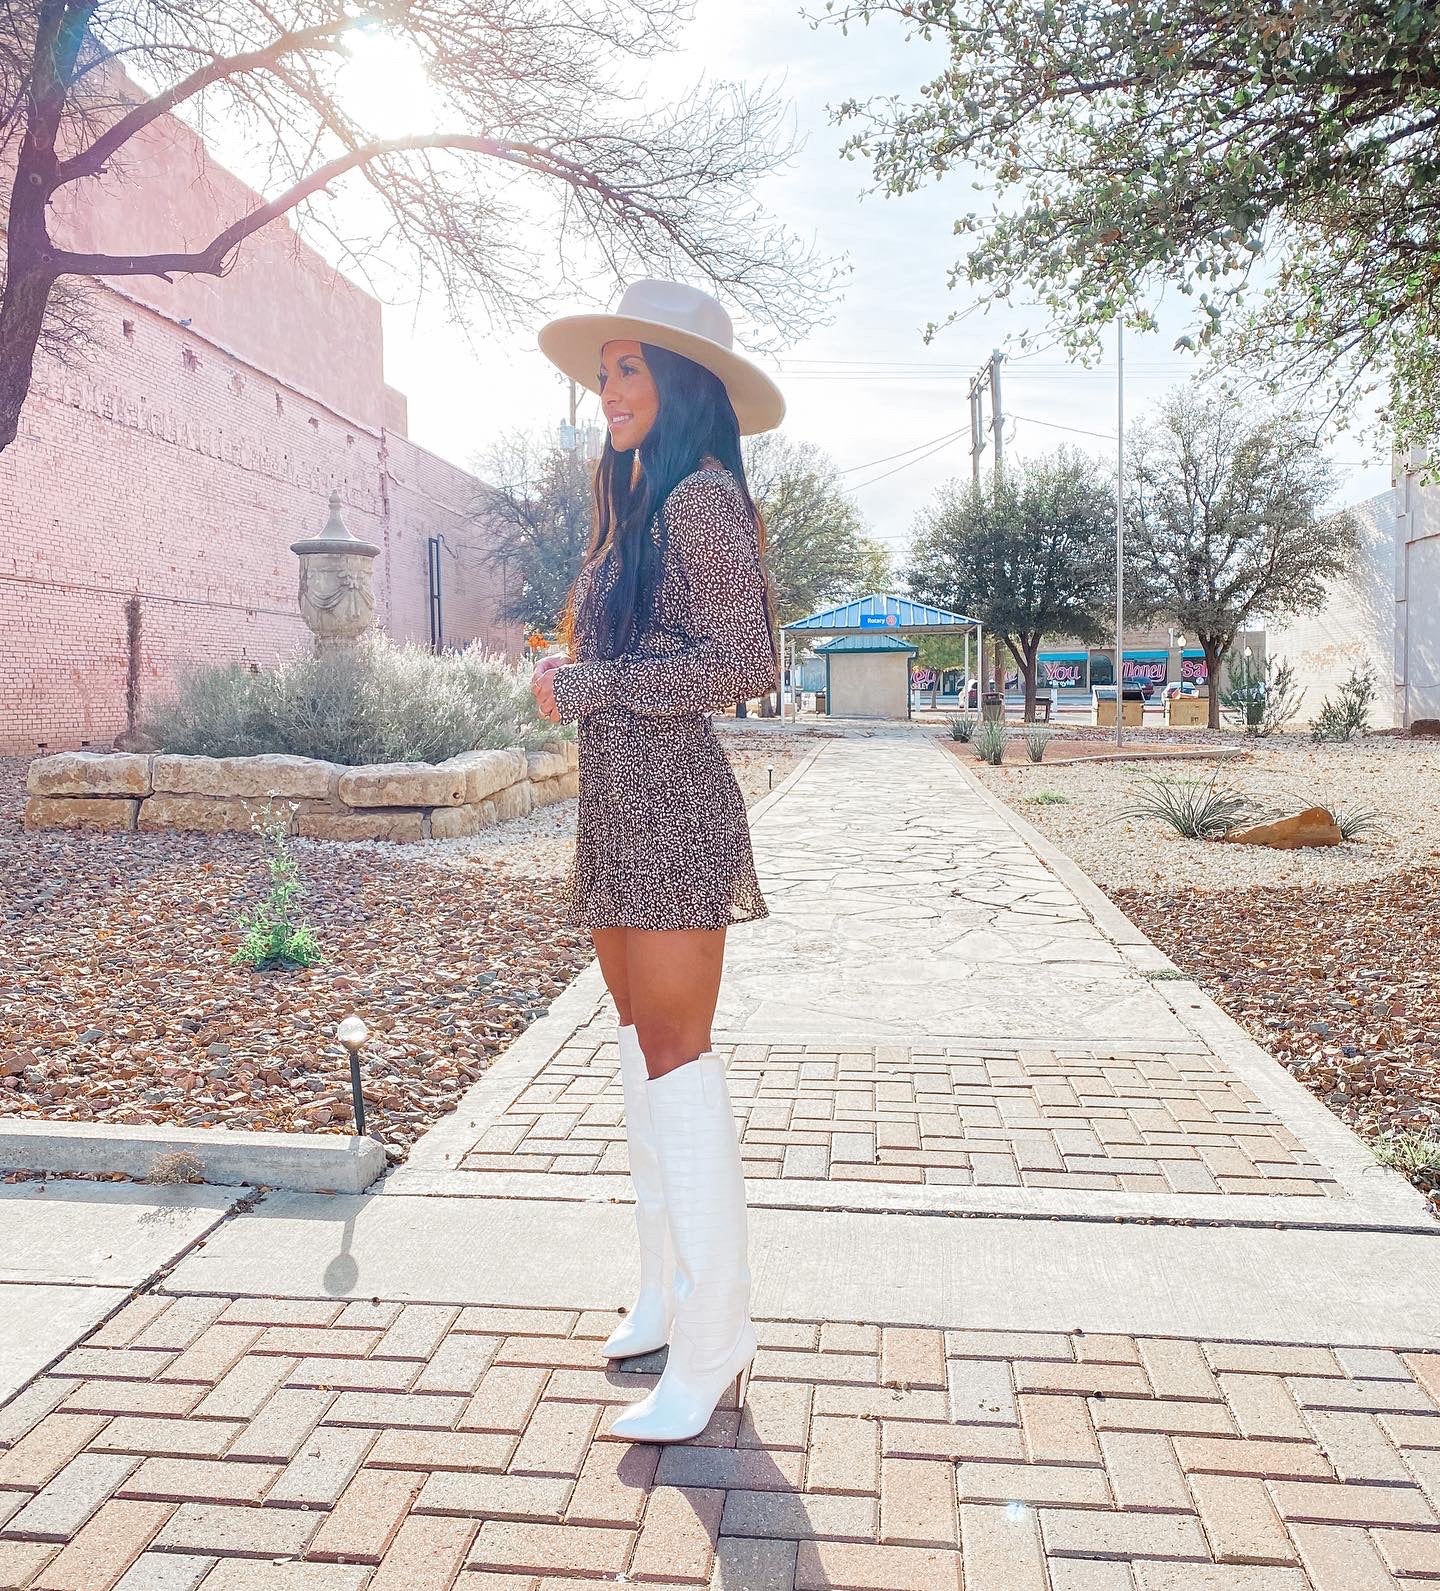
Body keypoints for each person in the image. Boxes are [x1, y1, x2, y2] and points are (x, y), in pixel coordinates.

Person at [530, 280, 783, 1443]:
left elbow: (744, 659)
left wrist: (593, 683)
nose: (610, 390)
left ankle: (716, 1334)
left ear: (681, 383)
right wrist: (572, 678)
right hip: (620, 807)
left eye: (630, 368)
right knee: (641, 1051)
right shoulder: (639, 503)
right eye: (604, 373)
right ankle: (665, 1291)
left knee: (677, 1058)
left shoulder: (702, 496)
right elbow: (649, 654)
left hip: (675, 809)